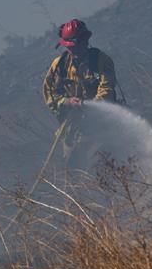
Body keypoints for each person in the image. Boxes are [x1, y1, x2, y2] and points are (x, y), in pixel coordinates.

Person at [42, 19, 117, 167]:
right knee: (72, 170)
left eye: (76, 46)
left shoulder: (101, 61)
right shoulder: (59, 65)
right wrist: (67, 102)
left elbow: (106, 90)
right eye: (69, 47)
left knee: (101, 165)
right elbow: (49, 93)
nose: (73, 50)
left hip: (103, 127)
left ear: (85, 41)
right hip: (73, 130)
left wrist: (89, 106)